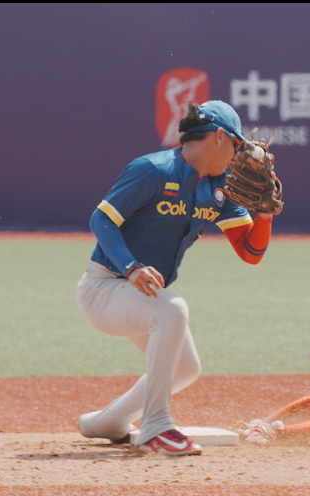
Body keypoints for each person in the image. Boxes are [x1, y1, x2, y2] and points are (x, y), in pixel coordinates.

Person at [76, 100, 277, 456]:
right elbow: (101, 220)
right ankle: (156, 425)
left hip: (145, 295)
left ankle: (104, 423)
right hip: (105, 288)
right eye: (236, 144)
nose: (239, 156)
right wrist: (131, 266)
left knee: (185, 369)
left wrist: (263, 214)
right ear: (219, 136)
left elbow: (251, 253)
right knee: (173, 310)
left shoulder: (220, 188)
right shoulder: (153, 169)